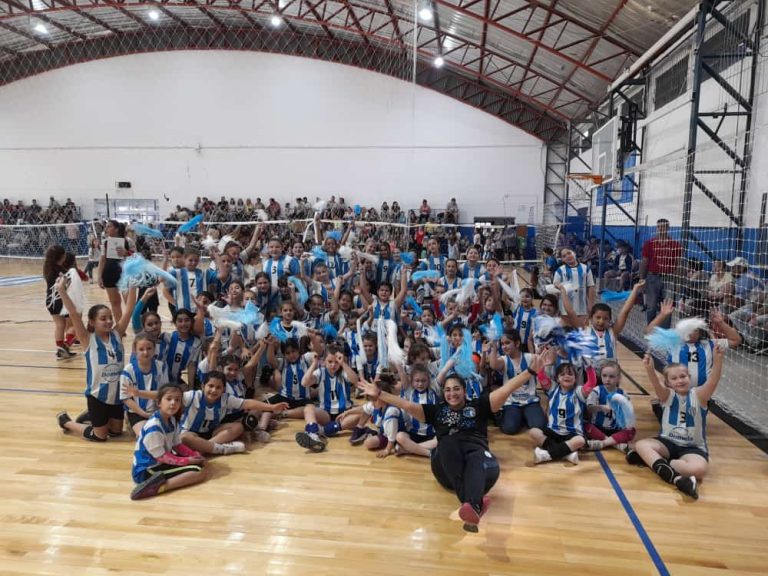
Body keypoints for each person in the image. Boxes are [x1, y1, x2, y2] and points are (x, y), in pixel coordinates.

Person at [357, 354, 545, 532]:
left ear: (464, 390)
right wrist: (380, 394)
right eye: (447, 390)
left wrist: (530, 371)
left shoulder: (479, 405)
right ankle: (473, 502)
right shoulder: (437, 411)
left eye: (456, 389)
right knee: (446, 442)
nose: (452, 393)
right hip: (446, 467)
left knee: (478, 454)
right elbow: (406, 405)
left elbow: (506, 389)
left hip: (480, 465)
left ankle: (471, 505)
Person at [625, 350, 724, 500]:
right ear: (668, 383)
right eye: (674, 378)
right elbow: (656, 384)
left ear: (689, 378)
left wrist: (718, 360)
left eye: (683, 376)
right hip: (668, 443)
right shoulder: (667, 396)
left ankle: (659, 462)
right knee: (641, 445)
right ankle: (670, 471)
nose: (680, 380)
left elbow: (713, 380)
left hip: (692, 447)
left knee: (699, 470)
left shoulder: (699, 396)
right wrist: (650, 369)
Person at [55, 280, 137, 442]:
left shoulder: (117, 334)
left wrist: (133, 284)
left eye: (110, 318)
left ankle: (91, 415)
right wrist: (61, 290)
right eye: (103, 318)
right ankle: (66, 422)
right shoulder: (87, 339)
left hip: (116, 395)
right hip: (97, 396)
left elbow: (129, 309)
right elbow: (73, 314)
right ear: (92, 322)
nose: (108, 321)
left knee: (116, 432)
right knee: (100, 436)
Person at [130, 383, 208, 500]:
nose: (173, 403)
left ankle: (159, 482)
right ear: (159, 403)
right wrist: (187, 460)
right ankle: (159, 487)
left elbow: (177, 445)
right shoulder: (154, 427)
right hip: (146, 470)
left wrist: (194, 455)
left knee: (198, 463)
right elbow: (162, 457)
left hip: (158, 463)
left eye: (177, 400)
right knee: (198, 471)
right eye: (169, 399)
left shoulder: (172, 419)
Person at [640, 218, 683, 325]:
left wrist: (678, 282)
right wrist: (641, 279)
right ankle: (651, 328)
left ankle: (665, 332)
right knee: (651, 306)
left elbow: (679, 264)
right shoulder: (649, 244)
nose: (661, 229)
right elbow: (644, 262)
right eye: (659, 227)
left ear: (668, 228)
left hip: (669, 278)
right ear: (657, 228)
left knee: (667, 307)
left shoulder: (675, 245)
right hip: (652, 277)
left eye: (664, 226)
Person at [98, 220, 133, 325]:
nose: (106, 229)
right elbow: (102, 260)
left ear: (116, 229)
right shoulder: (105, 242)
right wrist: (99, 276)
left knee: (130, 303)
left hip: (125, 274)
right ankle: (120, 326)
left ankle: (135, 324)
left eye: (109, 226)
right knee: (115, 303)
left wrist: (127, 253)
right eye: (106, 226)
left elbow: (137, 257)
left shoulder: (128, 241)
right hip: (109, 274)